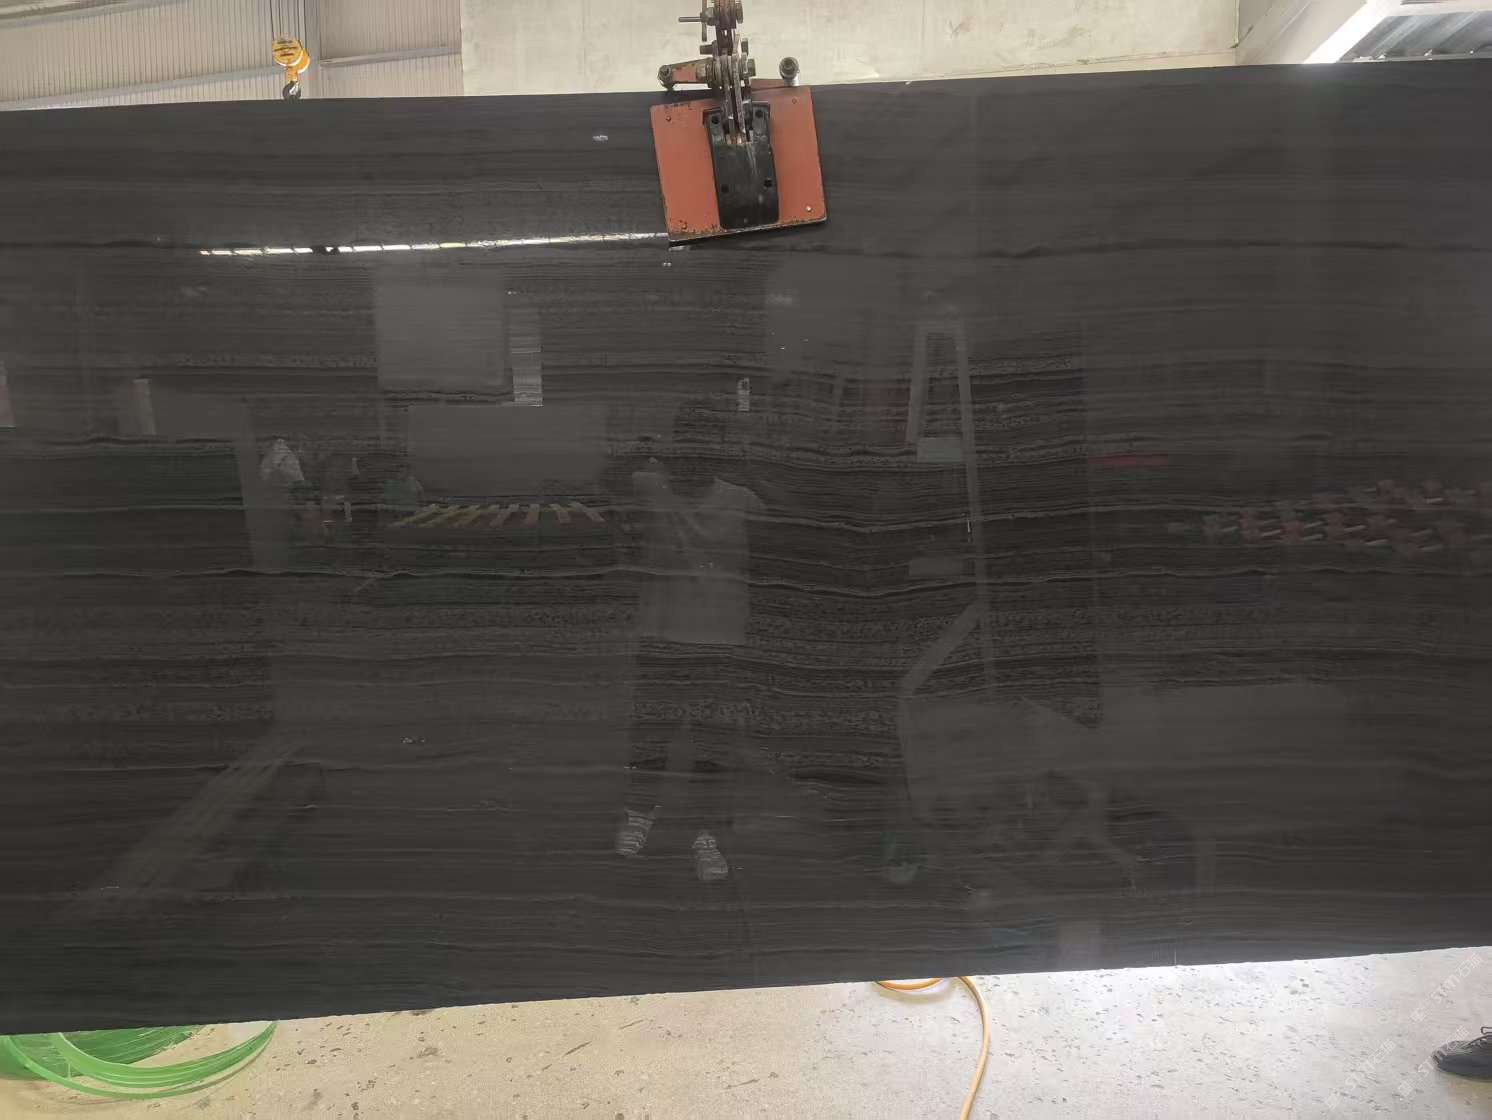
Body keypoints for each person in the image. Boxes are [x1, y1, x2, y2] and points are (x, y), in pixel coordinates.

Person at [614, 398, 764, 883]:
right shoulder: (651, 486)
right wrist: (649, 449)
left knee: (711, 744)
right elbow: (606, 478)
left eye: (706, 446)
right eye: (689, 444)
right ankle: (641, 816)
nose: (696, 456)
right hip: (664, 635)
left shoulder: (741, 499)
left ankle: (706, 835)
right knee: (653, 735)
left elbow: (789, 532)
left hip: (718, 640)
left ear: (718, 450)